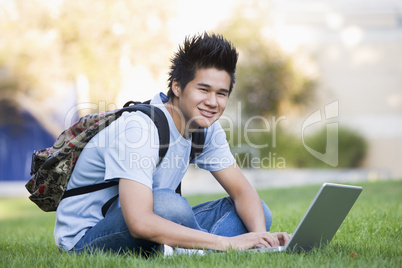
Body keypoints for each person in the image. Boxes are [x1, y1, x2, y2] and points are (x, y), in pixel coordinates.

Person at [54, 32, 290, 255]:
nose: (212, 102)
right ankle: (196, 248)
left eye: (221, 93)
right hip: (88, 238)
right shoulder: (140, 128)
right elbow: (139, 221)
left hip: (149, 219)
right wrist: (227, 242)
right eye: (203, 89)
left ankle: (186, 250)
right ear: (177, 86)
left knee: (258, 212)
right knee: (169, 205)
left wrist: (261, 239)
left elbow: (242, 192)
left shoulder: (205, 128)